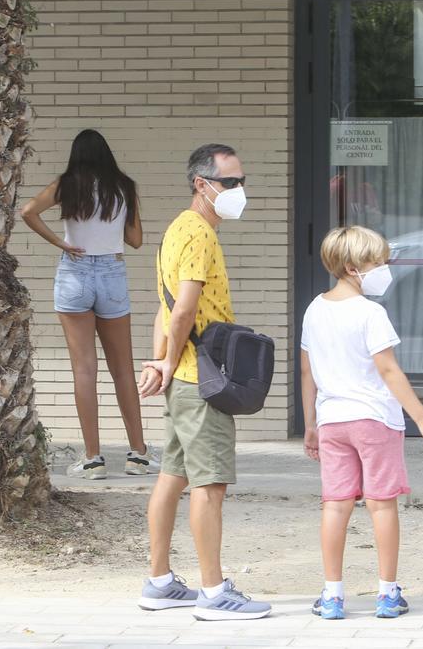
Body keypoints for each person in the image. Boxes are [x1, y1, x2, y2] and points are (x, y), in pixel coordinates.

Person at [135, 143, 270, 621]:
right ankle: (214, 593)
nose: (239, 191)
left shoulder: (177, 229)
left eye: (241, 181)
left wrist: (158, 361)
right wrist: (170, 363)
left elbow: (164, 305)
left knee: (172, 477)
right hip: (200, 382)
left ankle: (159, 582)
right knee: (209, 485)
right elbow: (185, 308)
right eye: (230, 183)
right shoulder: (199, 235)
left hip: (183, 381)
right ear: (202, 184)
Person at [300, 225, 423, 621]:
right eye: (378, 263)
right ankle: (387, 593)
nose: (385, 269)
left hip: (332, 421)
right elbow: (389, 370)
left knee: (335, 506)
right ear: (352, 268)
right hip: (374, 420)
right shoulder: (371, 313)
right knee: (381, 506)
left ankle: (332, 595)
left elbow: (306, 372)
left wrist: (310, 423)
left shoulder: (314, 309)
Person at [20, 129, 158, 479]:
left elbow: (28, 211)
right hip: (111, 271)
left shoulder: (67, 184)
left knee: (84, 369)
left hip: (74, 273)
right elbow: (136, 240)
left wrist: (61, 243)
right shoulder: (123, 186)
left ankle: (93, 459)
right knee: (123, 369)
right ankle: (138, 455)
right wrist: (112, 226)